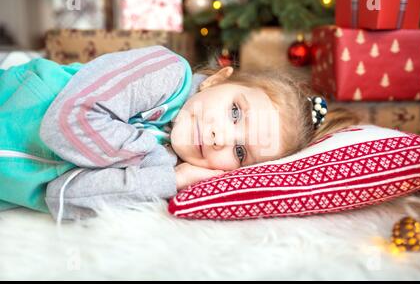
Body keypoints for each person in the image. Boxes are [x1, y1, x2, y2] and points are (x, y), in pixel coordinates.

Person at [0, 45, 359, 222]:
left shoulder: (168, 167)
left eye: (239, 153)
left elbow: (64, 196)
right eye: (235, 112)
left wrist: (173, 179)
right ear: (218, 80)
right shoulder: (167, 75)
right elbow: (67, 123)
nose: (221, 138)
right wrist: (154, 160)